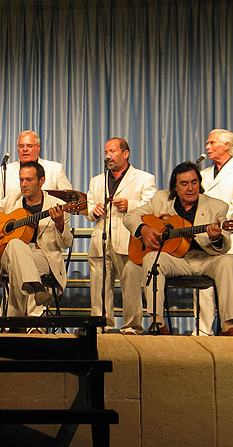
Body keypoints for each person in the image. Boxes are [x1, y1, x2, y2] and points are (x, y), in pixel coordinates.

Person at [123, 162, 233, 335]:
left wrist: (216, 237)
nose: (190, 188)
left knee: (229, 262)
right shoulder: (161, 199)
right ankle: (157, 322)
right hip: (175, 260)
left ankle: (228, 326)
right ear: (175, 187)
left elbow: (225, 245)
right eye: (184, 184)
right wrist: (144, 229)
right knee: (151, 258)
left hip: (206, 260)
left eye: (194, 182)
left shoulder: (217, 207)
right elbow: (130, 217)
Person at [0, 161, 73, 321]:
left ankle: (12, 322)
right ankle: (36, 317)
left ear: (41, 181)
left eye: (29, 180)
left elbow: (66, 243)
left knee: (18, 268)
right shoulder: (13, 197)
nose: (23, 184)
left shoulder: (57, 205)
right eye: (21, 180)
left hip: (44, 256)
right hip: (11, 253)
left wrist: (59, 223)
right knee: (15, 244)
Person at [86, 138, 156, 334]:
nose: (108, 155)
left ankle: (132, 326)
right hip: (101, 240)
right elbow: (88, 207)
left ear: (125, 154)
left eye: (112, 151)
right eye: (106, 152)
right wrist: (93, 210)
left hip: (129, 241)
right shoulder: (97, 180)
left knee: (131, 287)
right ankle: (101, 325)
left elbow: (152, 208)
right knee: (99, 288)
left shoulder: (144, 178)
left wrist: (131, 205)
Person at [199, 129, 233, 335]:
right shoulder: (202, 174)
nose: (208, 147)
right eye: (207, 143)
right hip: (204, 238)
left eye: (212, 143)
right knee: (203, 290)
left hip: (230, 236)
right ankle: (203, 331)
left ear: (226, 145)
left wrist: (217, 225)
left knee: (231, 290)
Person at [0, 130, 72, 202]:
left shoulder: (55, 169)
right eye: (21, 146)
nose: (25, 149)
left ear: (38, 148)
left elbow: (69, 199)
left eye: (29, 146)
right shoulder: (5, 171)